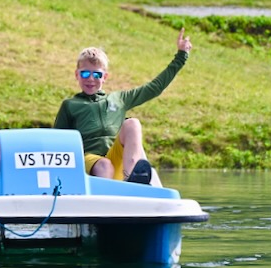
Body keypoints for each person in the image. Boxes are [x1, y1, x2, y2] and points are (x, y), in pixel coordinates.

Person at [53, 29, 192, 184]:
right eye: (85, 74)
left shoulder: (119, 99)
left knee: (132, 123)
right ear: (77, 75)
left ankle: (132, 179)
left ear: (105, 77)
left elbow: (155, 87)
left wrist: (181, 56)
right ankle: (103, 200)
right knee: (104, 165)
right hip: (87, 162)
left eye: (97, 74)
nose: (91, 79)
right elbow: (57, 143)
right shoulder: (70, 105)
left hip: (116, 162)